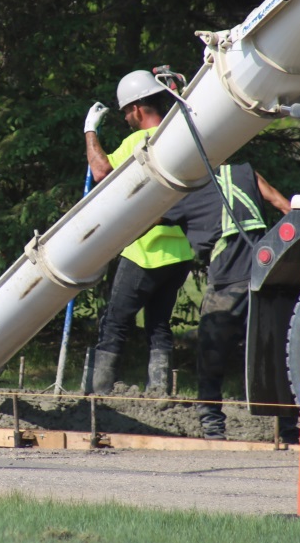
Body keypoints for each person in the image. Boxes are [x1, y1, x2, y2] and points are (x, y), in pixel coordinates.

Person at [84, 70, 195, 395]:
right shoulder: (178, 137)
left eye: (126, 113)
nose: (126, 120)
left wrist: (90, 131)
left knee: (115, 321)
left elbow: (101, 170)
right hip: (179, 254)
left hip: (144, 253)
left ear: (137, 108)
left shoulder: (138, 141)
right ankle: (159, 391)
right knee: (159, 324)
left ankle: (100, 390)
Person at [163, 163, 292, 440]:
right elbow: (282, 205)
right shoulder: (243, 172)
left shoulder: (181, 192)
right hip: (264, 276)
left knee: (212, 355)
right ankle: (289, 427)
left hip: (228, 283)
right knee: (274, 351)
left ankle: (211, 423)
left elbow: (140, 219)